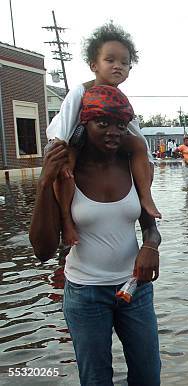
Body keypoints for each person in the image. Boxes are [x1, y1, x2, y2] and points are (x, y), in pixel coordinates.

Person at [30, 86, 161, 385]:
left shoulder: (130, 165)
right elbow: (42, 250)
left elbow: (150, 226)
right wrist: (43, 182)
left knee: (148, 377)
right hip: (85, 294)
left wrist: (151, 245)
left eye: (120, 124)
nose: (113, 132)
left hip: (135, 289)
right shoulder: (65, 174)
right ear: (83, 124)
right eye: (103, 123)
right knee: (96, 379)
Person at [46, 23, 160, 247]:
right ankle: (67, 220)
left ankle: (145, 197)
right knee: (66, 168)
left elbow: (135, 132)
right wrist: (61, 161)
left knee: (138, 146)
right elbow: (63, 131)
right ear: (94, 65)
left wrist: (148, 161)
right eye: (110, 60)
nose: (118, 66)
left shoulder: (120, 98)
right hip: (73, 138)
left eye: (124, 63)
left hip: (101, 141)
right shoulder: (80, 91)